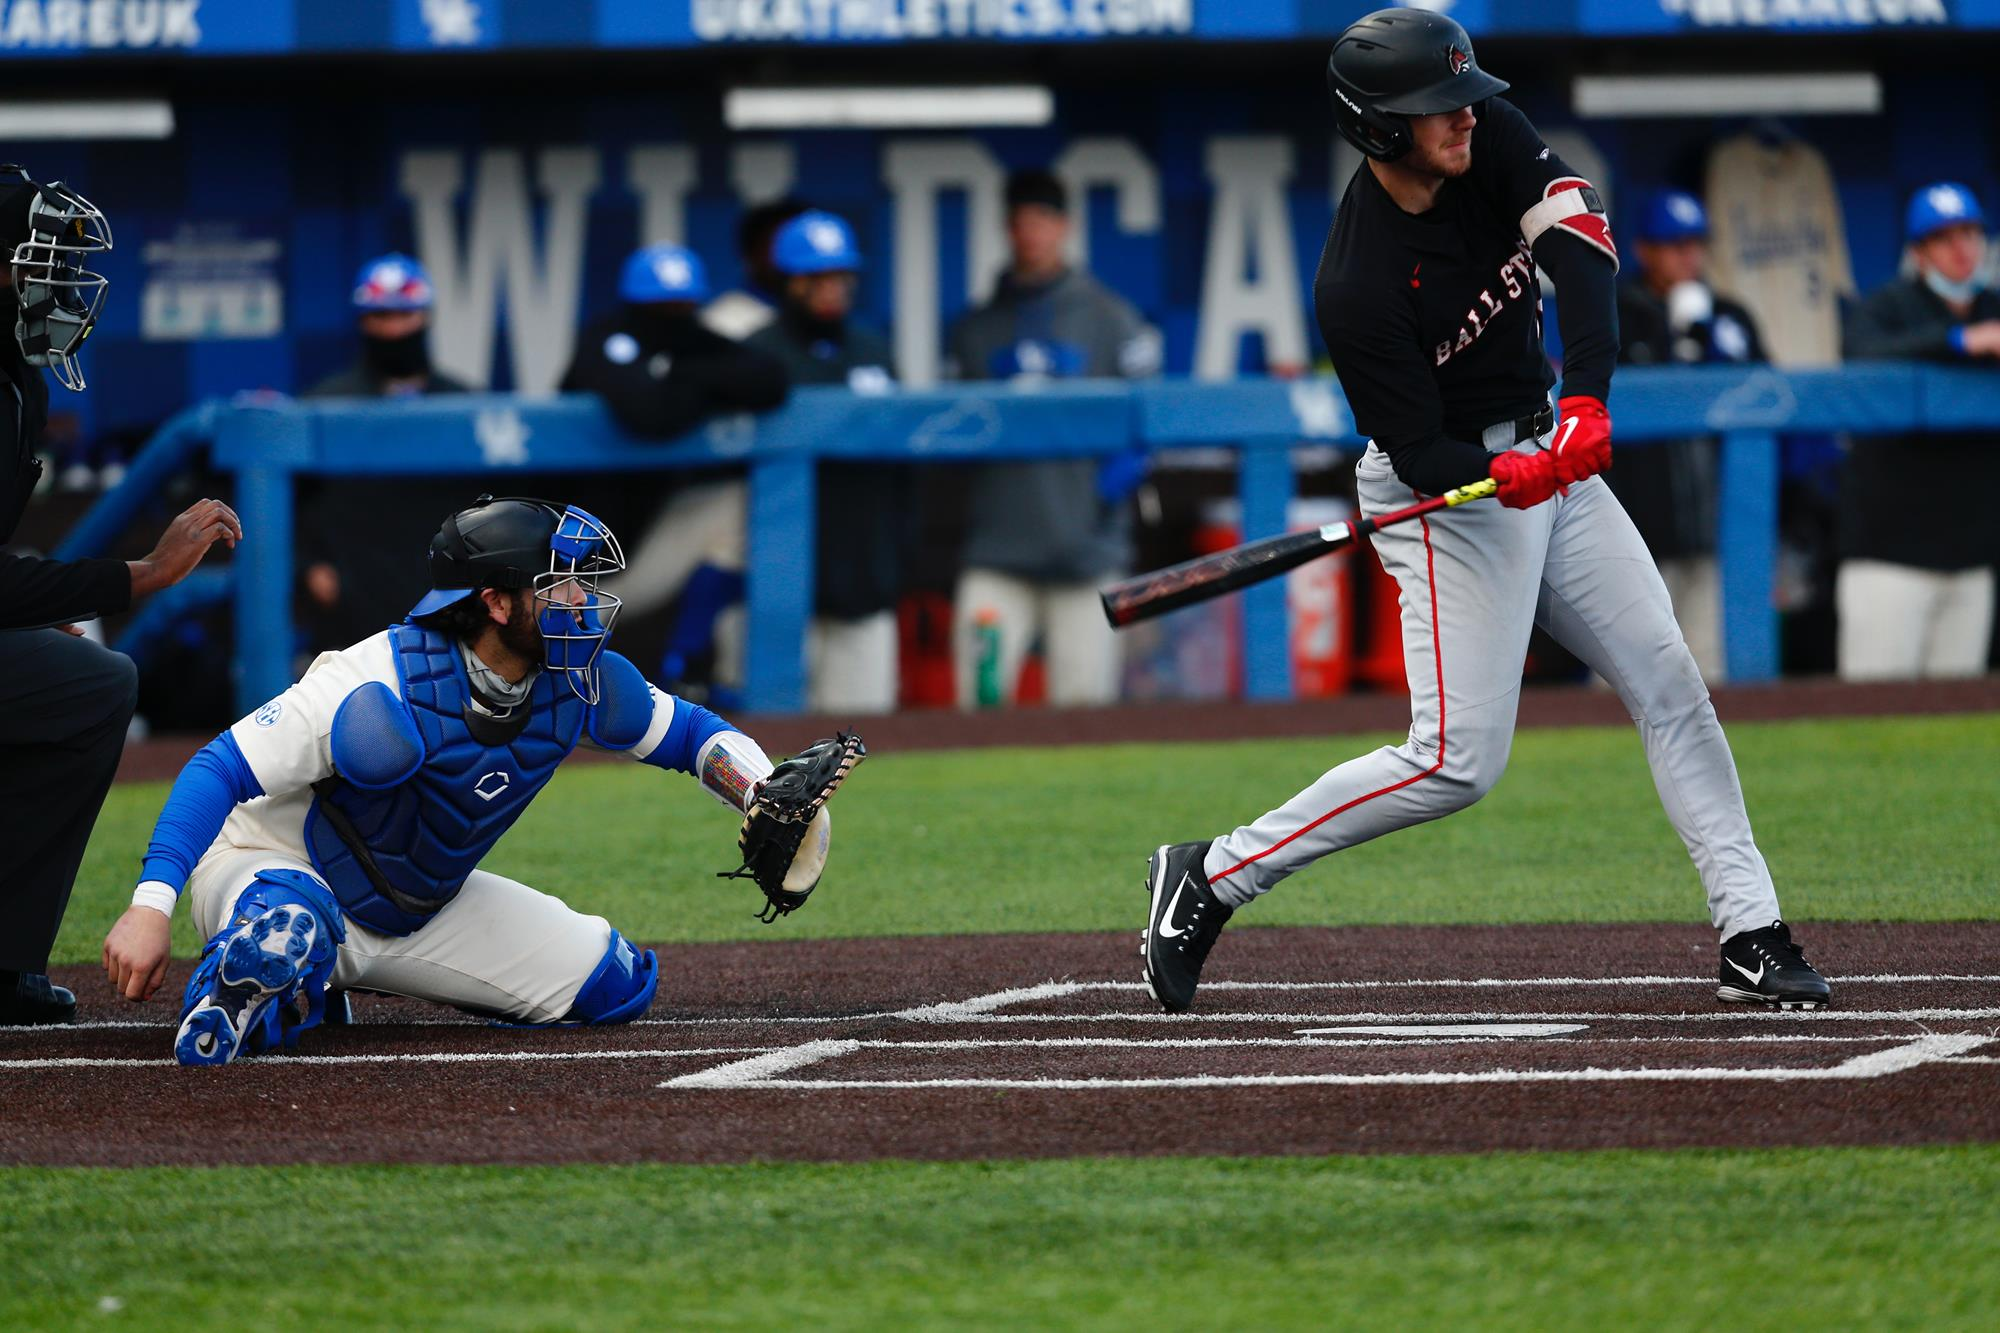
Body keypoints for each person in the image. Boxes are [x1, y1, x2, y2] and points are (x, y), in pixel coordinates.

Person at [1139, 10, 1829, 1016]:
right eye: (1433, 109)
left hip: (1548, 448)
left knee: (1669, 679)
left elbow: (1580, 245)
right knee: (1456, 762)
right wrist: (1505, 473)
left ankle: (1750, 931)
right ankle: (1211, 875)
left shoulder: (1487, 132)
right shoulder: (1356, 283)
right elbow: (1419, 455)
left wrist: (1583, 400)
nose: (1463, 117)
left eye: (1462, 98)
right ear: (1378, 128)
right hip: (1450, 499)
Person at [99, 496, 851, 1065]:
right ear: (494, 600)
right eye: (558, 586)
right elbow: (218, 767)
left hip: (420, 904)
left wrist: (758, 787)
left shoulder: (580, 678)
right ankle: (256, 986)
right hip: (276, 866)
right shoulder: (379, 677)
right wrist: (149, 906)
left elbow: (692, 733)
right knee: (286, 928)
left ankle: (314, 982)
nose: (582, 600)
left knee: (618, 984)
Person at [1, 164, 241, 1025]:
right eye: (37, 260)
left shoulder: (12, 374)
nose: (58, 283)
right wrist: (141, 574)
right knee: (86, 680)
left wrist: (38, 603)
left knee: (79, 680)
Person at [946, 168, 1160, 708]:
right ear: (1007, 229)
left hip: (1085, 555)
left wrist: (1104, 491)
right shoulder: (976, 328)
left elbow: (1149, 425)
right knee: (978, 711)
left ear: (1063, 226)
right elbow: (953, 440)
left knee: (1083, 717)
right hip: (996, 554)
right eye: (1021, 221)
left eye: (1043, 220)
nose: (1032, 233)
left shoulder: (1111, 319)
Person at [564, 243, 789, 704]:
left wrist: (682, 373)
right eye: (660, 308)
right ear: (633, 307)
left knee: (735, 505)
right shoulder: (607, 338)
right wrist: (701, 382)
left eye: (682, 306)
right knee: (537, 698)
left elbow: (771, 379)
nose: (672, 316)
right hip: (562, 560)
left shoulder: (686, 341)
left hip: (633, 547)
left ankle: (684, 663)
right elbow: (651, 415)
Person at [1836, 182, 2000, 680]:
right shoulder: (1889, 306)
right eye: (1944, 237)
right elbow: (1858, 352)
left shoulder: (1992, 304)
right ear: (1919, 251)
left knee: (1953, 724)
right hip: (1890, 560)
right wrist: (1957, 341)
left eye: (1970, 234)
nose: (1962, 249)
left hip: (1972, 558)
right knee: (1872, 719)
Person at [745, 210, 907, 713]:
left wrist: (895, 561)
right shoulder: (756, 353)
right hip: (774, 584)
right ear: (790, 280)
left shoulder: (873, 349)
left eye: (840, 275)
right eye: (818, 276)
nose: (832, 287)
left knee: (861, 747)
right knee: (764, 751)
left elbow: (905, 472)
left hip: (863, 579)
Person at [1610, 189, 1769, 682]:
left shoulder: (1731, 316)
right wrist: (1671, 337)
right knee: (1628, 670)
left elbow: (1769, 395)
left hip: (1716, 527)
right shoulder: (1620, 311)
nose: (1687, 255)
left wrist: (1706, 340)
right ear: (1644, 251)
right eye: (1673, 244)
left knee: (1710, 671)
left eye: (1694, 243)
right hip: (1638, 532)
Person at [297, 254, 473, 651]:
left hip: (442, 589)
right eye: (381, 317)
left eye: (404, 315)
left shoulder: (462, 401)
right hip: (355, 591)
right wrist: (309, 565)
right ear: (363, 322)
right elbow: (293, 499)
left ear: (425, 316)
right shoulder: (325, 403)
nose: (393, 329)